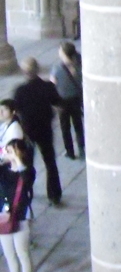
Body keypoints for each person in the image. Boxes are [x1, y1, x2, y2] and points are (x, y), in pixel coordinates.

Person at [13, 57, 63, 206]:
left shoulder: (20, 91)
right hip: (45, 129)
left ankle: (27, 192)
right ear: (38, 69)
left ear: (24, 72)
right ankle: (54, 194)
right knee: (50, 162)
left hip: (28, 131)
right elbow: (58, 102)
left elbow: (17, 111)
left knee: (27, 163)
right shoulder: (47, 87)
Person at [0, 138, 36, 272]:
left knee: (22, 252)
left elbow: (26, 181)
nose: (6, 153)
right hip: (4, 216)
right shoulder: (3, 169)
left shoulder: (27, 171)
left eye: (10, 150)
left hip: (20, 216)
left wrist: (16, 159)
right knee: (8, 251)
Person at [50, 41, 85, 160]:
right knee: (78, 124)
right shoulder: (79, 65)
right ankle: (82, 147)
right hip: (76, 99)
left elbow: (52, 84)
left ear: (64, 54)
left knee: (65, 128)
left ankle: (69, 151)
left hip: (62, 102)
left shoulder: (57, 68)